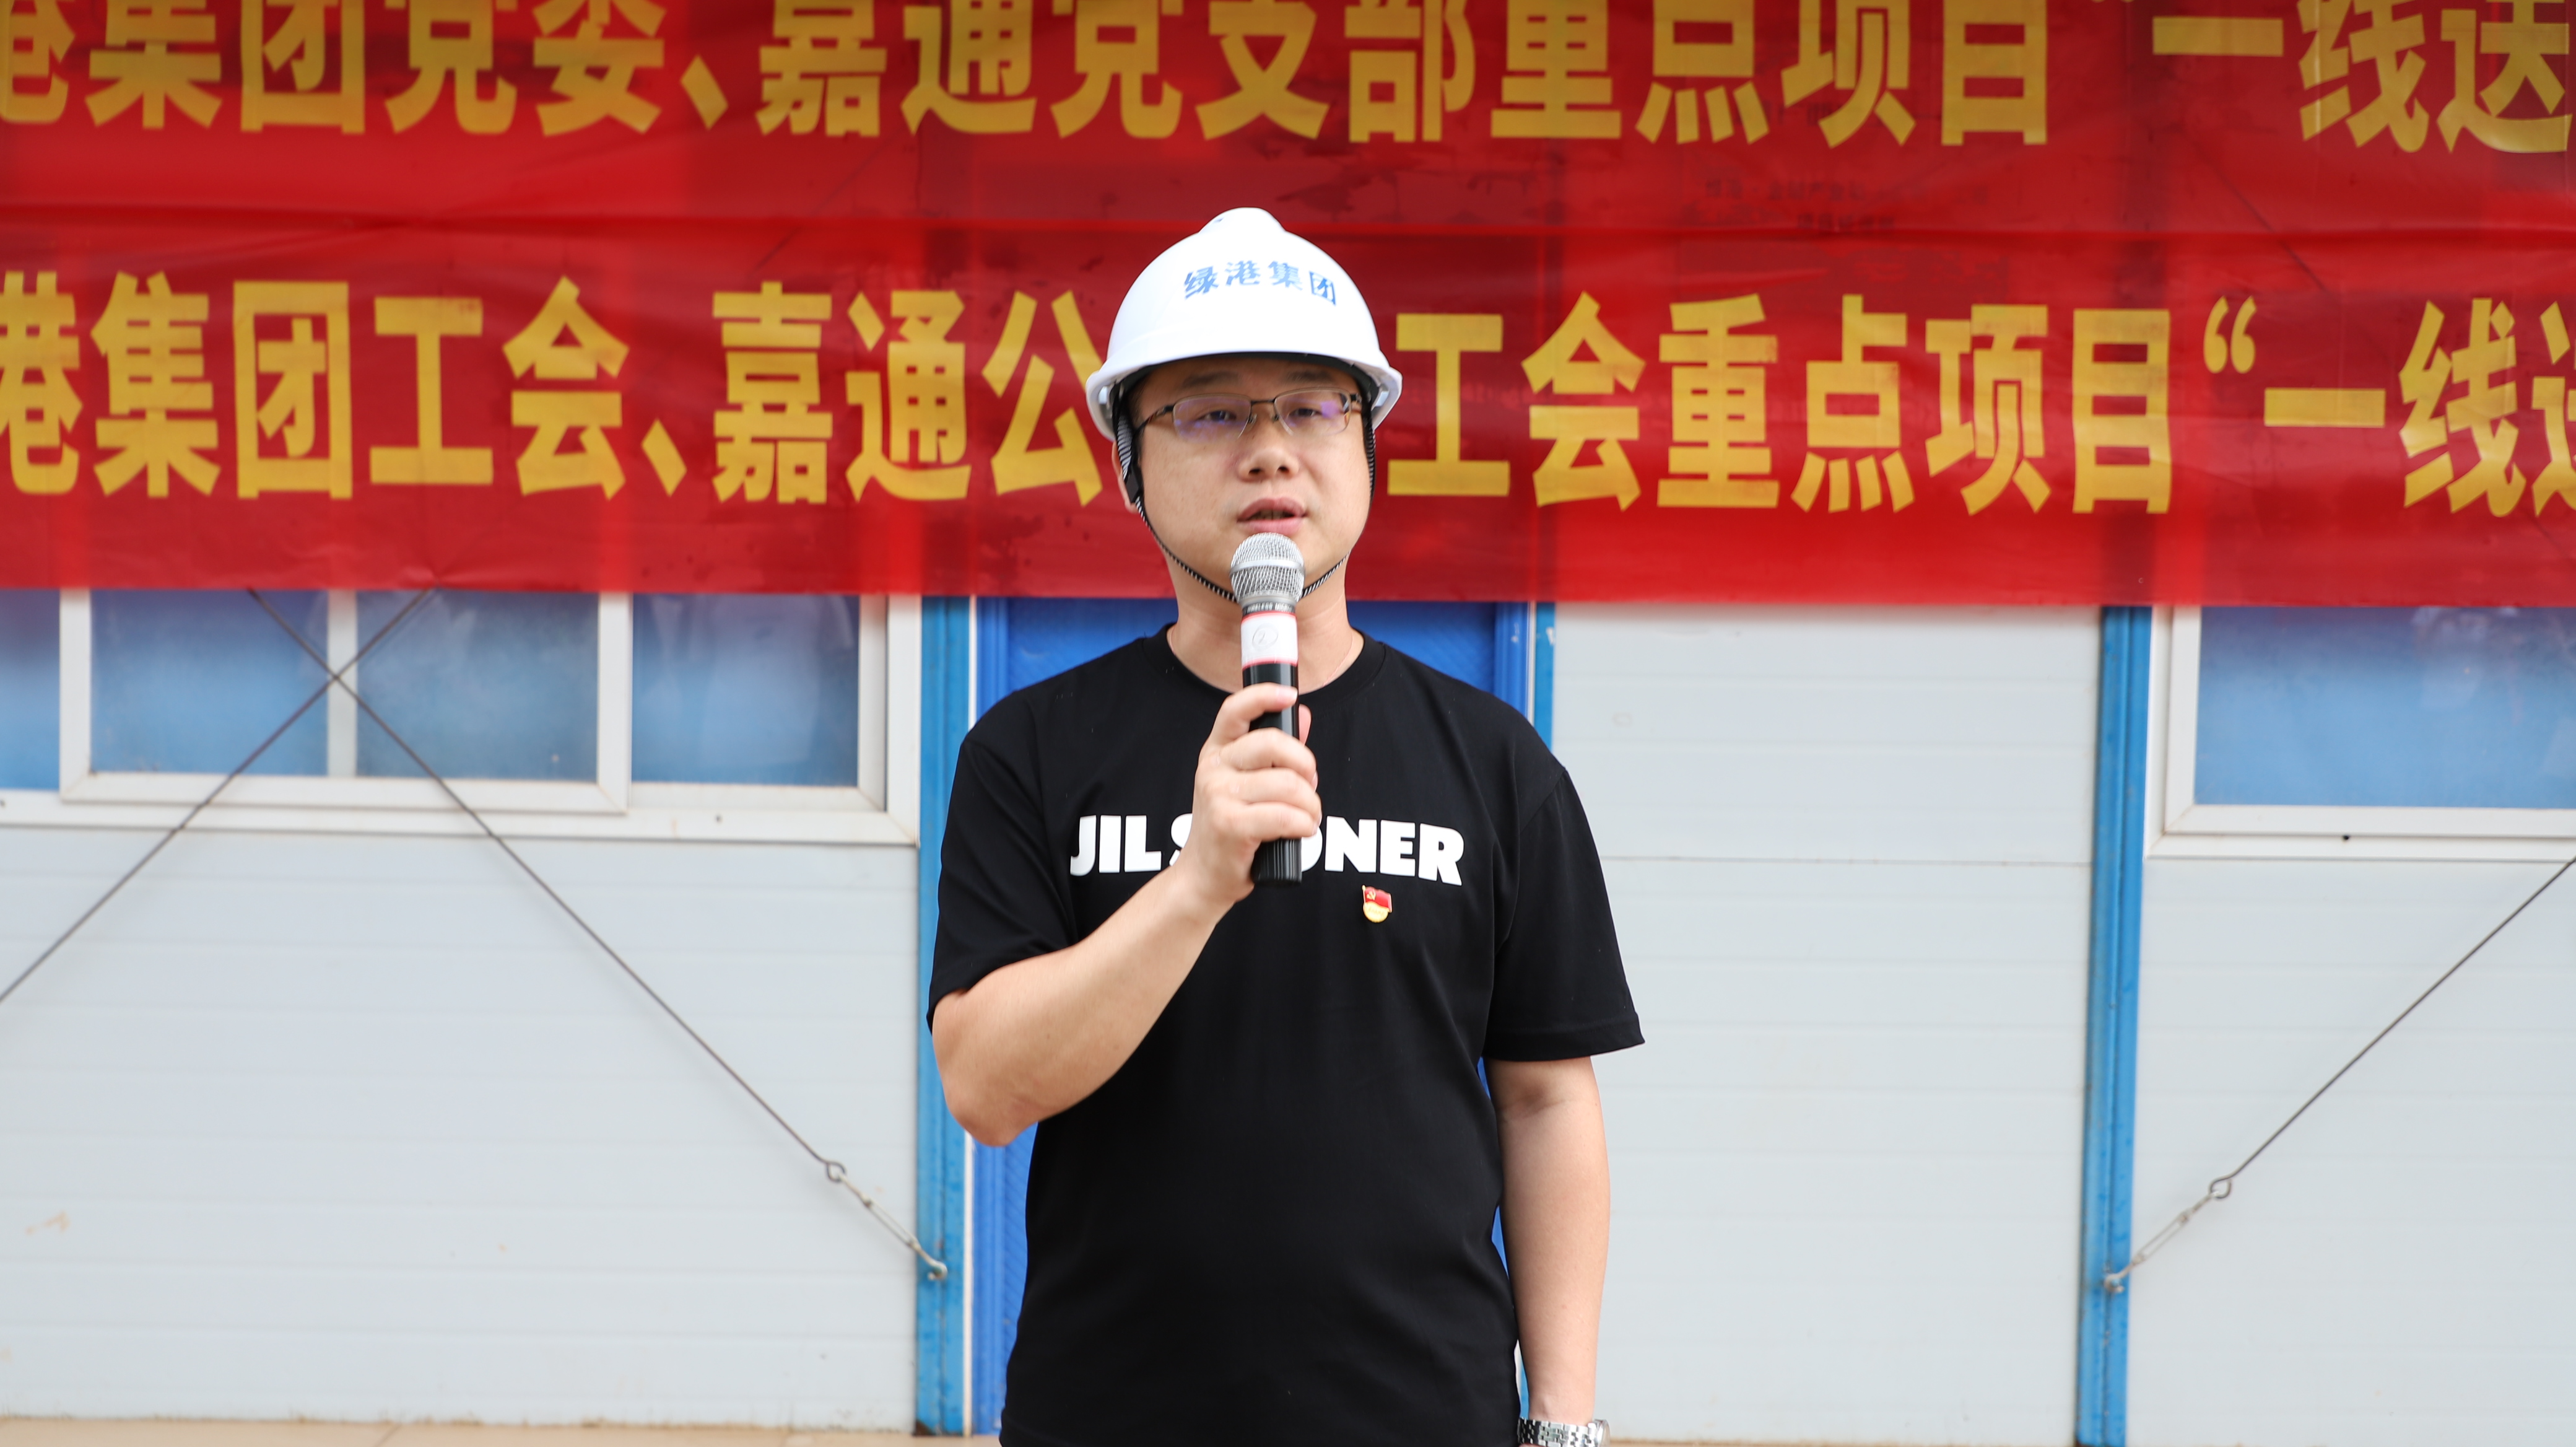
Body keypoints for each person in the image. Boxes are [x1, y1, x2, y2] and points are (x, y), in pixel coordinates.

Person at [927, 208, 1642, 1447]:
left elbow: (1543, 1102)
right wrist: (1195, 881)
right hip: (1114, 1416)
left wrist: (1567, 1424)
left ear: (1369, 448)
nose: (1270, 453)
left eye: (1313, 409)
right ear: (1127, 466)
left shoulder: (1496, 764)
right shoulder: (1031, 751)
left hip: (1423, 1418)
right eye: (1209, 414)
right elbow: (987, 1089)